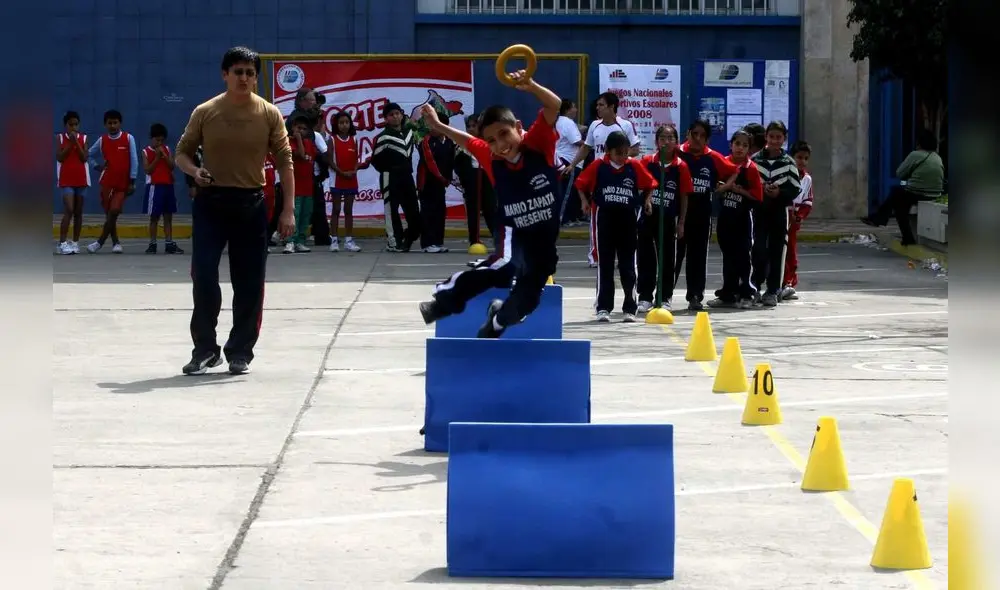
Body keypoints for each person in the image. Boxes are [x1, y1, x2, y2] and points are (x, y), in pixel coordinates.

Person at [415, 68, 563, 338]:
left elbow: (554, 105)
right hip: (512, 229)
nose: (500, 145)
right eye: (492, 141)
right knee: (506, 265)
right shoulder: (491, 157)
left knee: (526, 302)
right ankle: (444, 301)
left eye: (504, 134)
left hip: (543, 238)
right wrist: (438, 126)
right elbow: (468, 141)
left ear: (518, 127)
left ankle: (498, 320)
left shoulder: (538, 143)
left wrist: (531, 85)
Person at [175, 46, 295, 376]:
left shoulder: (269, 113)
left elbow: (285, 162)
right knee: (203, 276)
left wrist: (288, 210)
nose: (243, 78)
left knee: (249, 282)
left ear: (256, 78)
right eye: (237, 72)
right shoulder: (206, 111)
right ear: (224, 74)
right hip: (211, 204)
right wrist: (194, 171)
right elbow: (182, 153)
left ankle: (240, 351)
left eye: (249, 73)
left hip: (251, 205)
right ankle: (205, 349)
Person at [574, 131, 657, 322]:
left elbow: (650, 184)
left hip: (628, 221)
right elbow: (580, 184)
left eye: (625, 152)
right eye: (618, 153)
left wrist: (647, 200)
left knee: (628, 266)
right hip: (605, 220)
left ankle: (630, 307)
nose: (622, 157)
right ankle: (603, 307)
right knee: (605, 265)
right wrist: (584, 201)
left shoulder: (634, 166)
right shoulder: (598, 166)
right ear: (608, 151)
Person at [563, 92, 642, 268]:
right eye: (597, 105)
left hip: (621, 177)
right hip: (601, 177)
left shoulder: (625, 125)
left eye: (601, 105)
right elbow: (586, 148)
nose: (598, 108)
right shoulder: (594, 126)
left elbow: (636, 149)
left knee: (622, 219)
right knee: (597, 217)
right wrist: (573, 164)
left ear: (612, 107)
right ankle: (595, 256)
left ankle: (624, 256)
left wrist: (618, 156)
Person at [676, 120, 740, 310]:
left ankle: (695, 296)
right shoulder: (678, 153)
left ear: (707, 139)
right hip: (678, 214)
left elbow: (734, 170)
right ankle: (664, 296)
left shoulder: (713, 157)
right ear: (687, 134)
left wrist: (724, 187)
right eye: (694, 134)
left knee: (697, 257)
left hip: (702, 214)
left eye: (702, 135)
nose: (697, 138)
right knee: (674, 256)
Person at [636, 124, 693, 312]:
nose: (666, 142)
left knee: (668, 259)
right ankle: (645, 296)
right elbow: (641, 186)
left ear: (676, 142)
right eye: (662, 138)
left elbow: (684, 195)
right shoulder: (647, 162)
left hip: (669, 219)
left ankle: (665, 296)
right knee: (646, 258)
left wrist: (681, 222)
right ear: (656, 141)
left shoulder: (681, 166)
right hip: (648, 218)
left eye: (670, 138)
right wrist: (647, 199)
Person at [707, 129, 763, 309]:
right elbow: (715, 188)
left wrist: (741, 191)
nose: (740, 148)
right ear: (731, 145)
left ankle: (748, 292)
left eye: (745, 145)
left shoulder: (750, 168)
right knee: (728, 257)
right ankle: (728, 294)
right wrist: (722, 187)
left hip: (743, 219)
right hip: (725, 217)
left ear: (749, 149)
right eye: (737, 144)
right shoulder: (724, 163)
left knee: (744, 257)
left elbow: (757, 196)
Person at [861, 129, 944, 245]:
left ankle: (880, 219)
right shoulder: (937, 157)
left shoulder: (915, 155)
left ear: (919, 143)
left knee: (896, 195)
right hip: (934, 194)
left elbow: (899, 173)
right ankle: (904, 236)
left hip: (918, 192)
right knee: (900, 203)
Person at [750, 120, 801, 307]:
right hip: (759, 211)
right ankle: (754, 286)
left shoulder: (788, 162)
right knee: (758, 249)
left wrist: (780, 193)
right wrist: (761, 190)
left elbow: (795, 188)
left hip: (779, 212)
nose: (774, 140)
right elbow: (749, 182)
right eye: (771, 136)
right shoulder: (755, 160)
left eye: (778, 137)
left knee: (777, 250)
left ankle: (773, 290)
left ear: (784, 139)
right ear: (766, 137)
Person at [86, 109, 138, 254]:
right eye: (110, 123)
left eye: (115, 123)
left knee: (114, 210)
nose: (113, 126)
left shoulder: (128, 138)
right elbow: (88, 155)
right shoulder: (102, 140)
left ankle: (99, 242)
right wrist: (97, 166)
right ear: (105, 124)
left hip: (122, 183)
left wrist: (132, 180)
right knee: (110, 214)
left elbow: (134, 160)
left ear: (120, 123)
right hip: (107, 183)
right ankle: (116, 242)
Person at [372, 102, 419, 252]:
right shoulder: (383, 137)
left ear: (402, 114)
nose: (395, 117)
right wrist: (389, 169)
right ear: (386, 118)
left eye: (397, 113)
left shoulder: (410, 132)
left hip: (407, 177)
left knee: (414, 211)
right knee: (391, 211)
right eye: (391, 115)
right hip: (390, 177)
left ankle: (409, 237)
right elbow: (375, 160)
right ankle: (394, 242)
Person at [454, 113, 498, 253]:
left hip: (486, 179)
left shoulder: (489, 143)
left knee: (490, 209)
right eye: (469, 126)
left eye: (474, 126)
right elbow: (457, 164)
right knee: (473, 210)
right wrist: (465, 178)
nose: (471, 129)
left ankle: (498, 239)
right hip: (471, 180)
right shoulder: (463, 144)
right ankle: (474, 239)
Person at [417, 114, 456, 253]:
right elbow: (430, 163)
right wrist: (442, 178)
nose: (432, 128)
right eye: (430, 125)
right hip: (427, 183)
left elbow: (451, 161)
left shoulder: (450, 142)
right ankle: (427, 244)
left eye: (435, 125)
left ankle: (438, 242)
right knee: (428, 212)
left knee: (440, 212)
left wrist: (449, 178)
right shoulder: (426, 141)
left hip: (441, 184)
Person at [327, 110, 365, 252]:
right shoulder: (332, 139)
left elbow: (356, 159)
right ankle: (334, 240)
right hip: (337, 179)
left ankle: (349, 241)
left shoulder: (354, 139)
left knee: (348, 210)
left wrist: (354, 170)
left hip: (351, 179)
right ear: (336, 125)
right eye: (341, 122)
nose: (344, 125)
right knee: (336, 209)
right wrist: (341, 173)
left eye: (347, 122)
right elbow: (329, 161)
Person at [142, 123, 182, 254]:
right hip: (154, 186)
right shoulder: (146, 152)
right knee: (154, 217)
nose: (159, 143)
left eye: (161, 140)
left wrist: (164, 156)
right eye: (157, 140)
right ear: (152, 138)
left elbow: (172, 166)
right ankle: (152, 243)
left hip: (167, 185)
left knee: (168, 216)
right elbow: (148, 170)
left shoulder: (167, 149)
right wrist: (157, 158)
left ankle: (169, 242)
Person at [783, 140, 814, 299]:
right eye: (799, 157)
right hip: (782, 216)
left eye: (805, 158)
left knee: (791, 254)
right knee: (778, 251)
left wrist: (800, 215)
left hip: (794, 221)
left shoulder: (807, 179)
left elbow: (807, 201)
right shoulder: (785, 174)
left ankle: (789, 283)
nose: (802, 161)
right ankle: (778, 282)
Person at [284, 112, 319, 253]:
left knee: (305, 215)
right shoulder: (289, 143)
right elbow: (301, 154)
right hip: (295, 188)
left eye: (304, 129)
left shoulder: (310, 144)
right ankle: (290, 241)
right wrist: (298, 139)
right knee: (295, 215)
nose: (301, 131)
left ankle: (300, 241)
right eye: (298, 128)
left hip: (307, 187)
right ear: (292, 127)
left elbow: (311, 157)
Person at [56, 110, 89, 255]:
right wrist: (70, 143)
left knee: (78, 212)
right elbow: (60, 157)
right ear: (66, 125)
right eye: (71, 125)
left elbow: (84, 157)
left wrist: (77, 142)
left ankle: (75, 242)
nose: (74, 127)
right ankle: (62, 243)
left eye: (76, 124)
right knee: (69, 209)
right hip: (66, 179)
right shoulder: (60, 138)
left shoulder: (84, 138)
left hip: (81, 179)